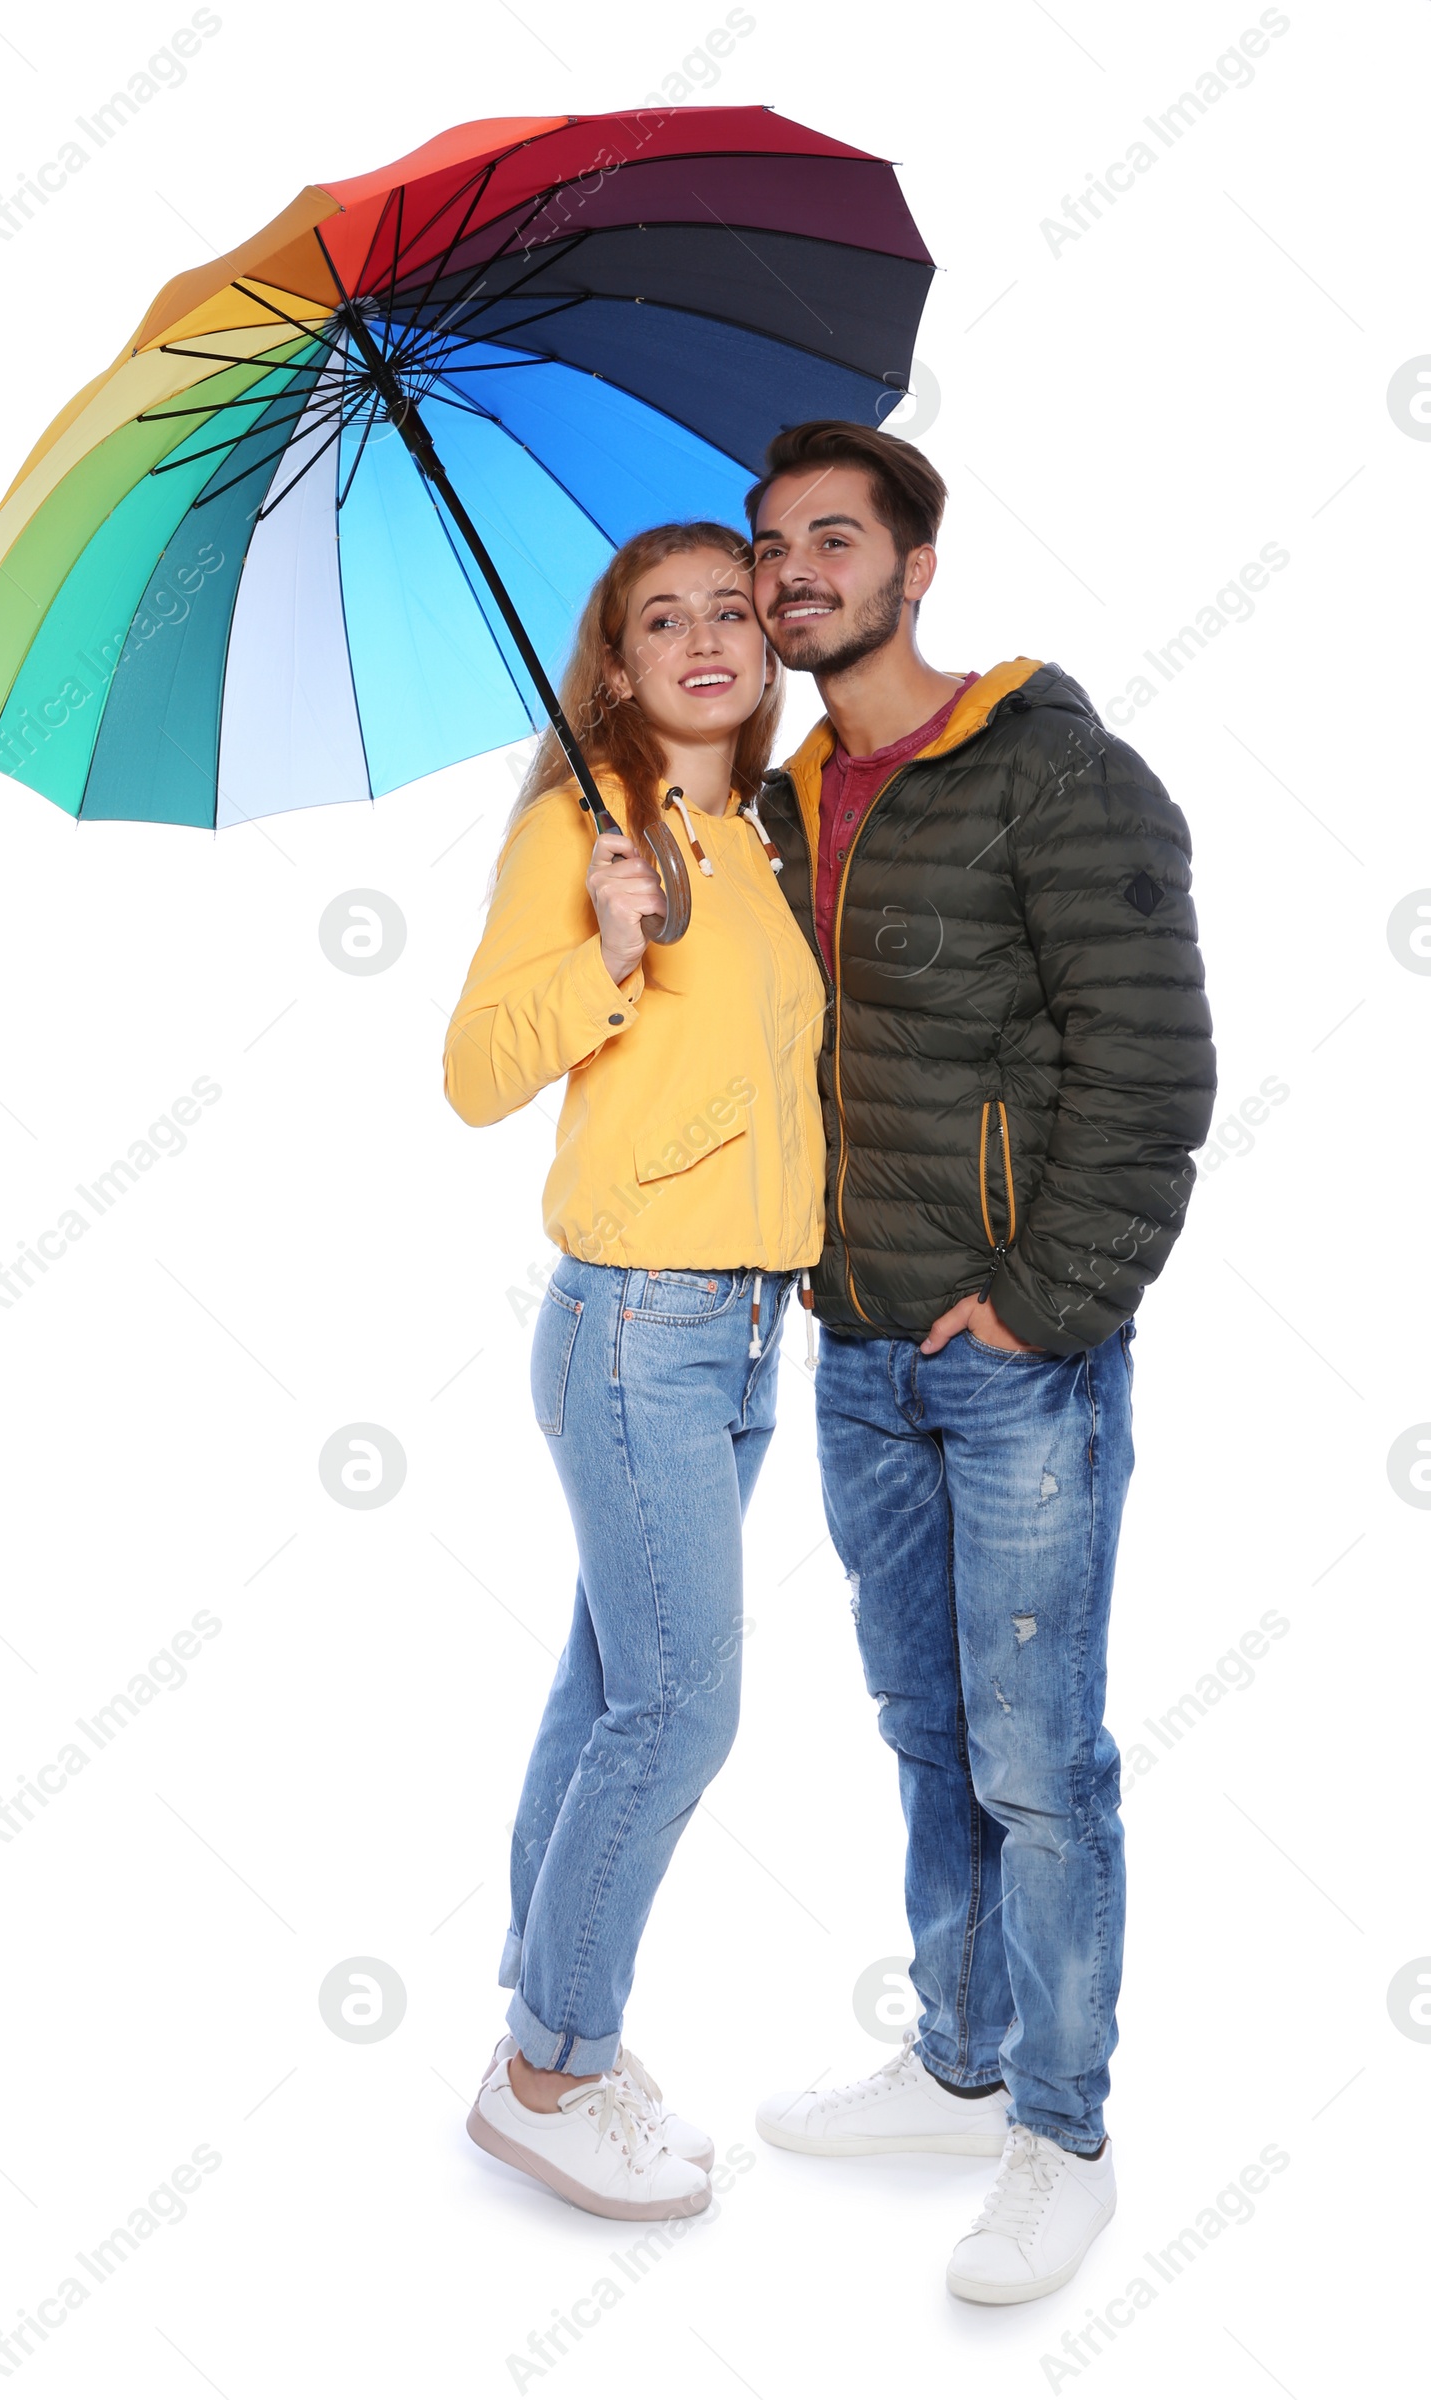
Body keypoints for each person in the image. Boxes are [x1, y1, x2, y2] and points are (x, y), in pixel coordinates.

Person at [744, 421, 1216, 2302]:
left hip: (1014, 1361)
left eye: (833, 540)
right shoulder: (775, 809)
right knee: (925, 1735)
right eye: (773, 545)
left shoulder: (1055, 775)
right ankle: (958, 2062)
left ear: (914, 565)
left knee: (1039, 1762)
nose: (795, 574)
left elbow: (1153, 1070)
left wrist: (1045, 1303)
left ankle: (1061, 2132)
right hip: (857, 1350)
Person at [443, 521, 827, 2223]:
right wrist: (598, 954)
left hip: (746, 1324)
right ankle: (553, 2075)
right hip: (637, 1325)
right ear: (610, 665)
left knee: (611, 1688)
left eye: (730, 611)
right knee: (682, 1707)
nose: (702, 639)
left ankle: (544, 2018)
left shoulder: (746, 834)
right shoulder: (578, 829)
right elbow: (469, 1073)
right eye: (658, 619)